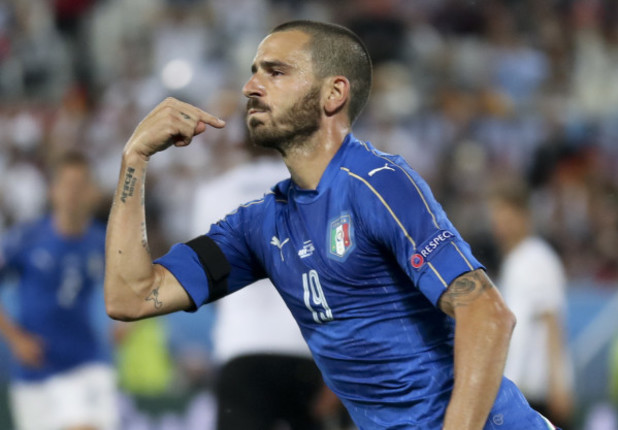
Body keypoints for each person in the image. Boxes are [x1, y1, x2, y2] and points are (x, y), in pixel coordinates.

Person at [104, 20, 560, 429]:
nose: (250, 87)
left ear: (333, 93)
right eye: (254, 71)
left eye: (275, 72)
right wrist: (134, 159)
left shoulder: (377, 183)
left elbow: (487, 314)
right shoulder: (260, 225)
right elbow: (132, 295)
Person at [192, 146, 347, 429]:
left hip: (241, 347)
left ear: (241, 139)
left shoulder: (213, 193)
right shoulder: (319, 190)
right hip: (306, 352)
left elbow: (204, 282)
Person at [0, 151, 119, 430]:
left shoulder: (105, 242)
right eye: (67, 185)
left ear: (93, 192)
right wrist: (16, 339)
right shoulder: (26, 238)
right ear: (53, 190)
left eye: (81, 186)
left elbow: (137, 285)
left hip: (85, 363)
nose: (73, 194)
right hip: (35, 368)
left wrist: (126, 323)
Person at [488, 181, 575, 429]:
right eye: (496, 214)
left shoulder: (538, 257)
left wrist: (560, 384)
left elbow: (552, 320)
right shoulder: (513, 261)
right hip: (518, 387)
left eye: (505, 214)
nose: (499, 223)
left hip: (539, 389)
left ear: (523, 215)